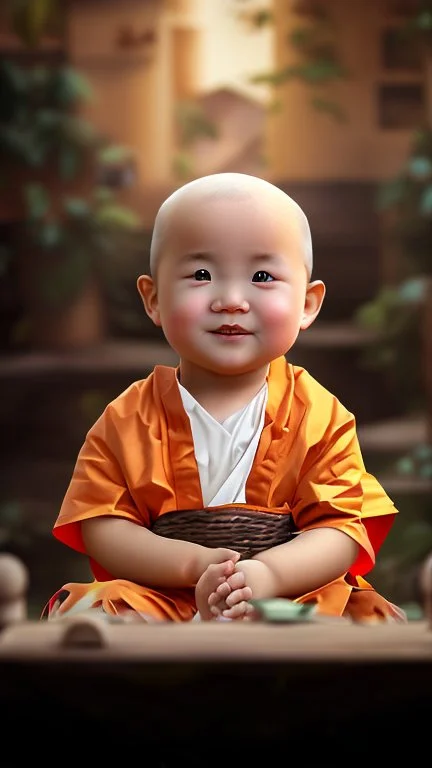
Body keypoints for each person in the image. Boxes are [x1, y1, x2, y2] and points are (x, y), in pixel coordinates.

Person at [42, 172, 405, 624]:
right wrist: (196, 567)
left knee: (358, 616)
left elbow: (342, 529)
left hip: (287, 597)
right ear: (152, 298)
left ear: (307, 304)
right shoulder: (127, 417)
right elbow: (102, 525)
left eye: (261, 275)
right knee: (93, 609)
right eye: (201, 274)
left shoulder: (320, 413)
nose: (231, 300)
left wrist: (267, 575)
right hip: (166, 597)